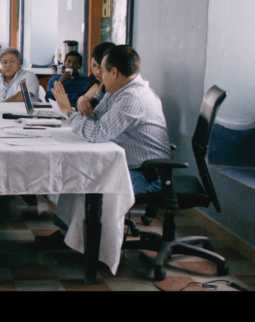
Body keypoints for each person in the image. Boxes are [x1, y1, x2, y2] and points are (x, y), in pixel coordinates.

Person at [40, 45, 173, 249]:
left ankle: (92, 249)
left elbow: (96, 133)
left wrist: (68, 111)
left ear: (114, 72)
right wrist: (81, 104)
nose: (99, 76)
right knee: (78, 176)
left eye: (102, 70)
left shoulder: (132, 97)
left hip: (148, 174)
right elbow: (96, 119)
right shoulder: (118, 90)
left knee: (91, 186)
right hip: (129, 164)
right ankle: (69, 236)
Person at [76, 42, 116, 117]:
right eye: (94, 65)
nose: (97, 71)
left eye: (101, 67)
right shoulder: (94, 78)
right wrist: (81, 99)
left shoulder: (111, 88)